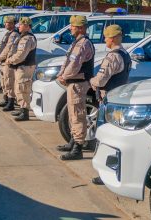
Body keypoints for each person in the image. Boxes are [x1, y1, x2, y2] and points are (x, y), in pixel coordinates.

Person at [90, 24, 131, 185]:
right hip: (119, 99)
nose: (105, 40)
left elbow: (101, 79)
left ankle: (105, 173)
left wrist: (92, 81)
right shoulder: (125, 53)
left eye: (106, 37)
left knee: (104, 138)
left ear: (112, 38)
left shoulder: (112, 56)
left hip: (108, 100)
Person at [56, 15, 95, 160]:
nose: (70, 28)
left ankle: (78, 148)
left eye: (73, 26)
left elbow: (74, 65)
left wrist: (64, 76)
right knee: (73, 115)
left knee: (78, 115)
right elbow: (67, 61)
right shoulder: (77, 42)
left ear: (80, 28)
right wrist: (62, 74)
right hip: (73, 83)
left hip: (78, 84)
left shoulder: (83, 43)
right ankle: (73, 141)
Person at [5, 17, 37, 121]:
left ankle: (25, 112)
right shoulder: (23, 37)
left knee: (23, 89)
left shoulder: (27, 38)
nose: (19, 26)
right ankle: (22, 108)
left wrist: (9, 60)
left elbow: (21, 55)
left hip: (25, 67)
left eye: (21, 25)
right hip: (21, 67)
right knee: (18, 88)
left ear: (27, 26)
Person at [0, 16, 20, 111]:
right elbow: (1, 45)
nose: (5, 24)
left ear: (12, 24)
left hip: (8, 61)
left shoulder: (14, 34)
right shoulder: (8, 33)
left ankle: (11, 102)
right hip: (3, 61)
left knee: (9, 82)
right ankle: (5, 99)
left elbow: (8, 48)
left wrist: (0, 57)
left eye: (7, 22)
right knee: (4, 82)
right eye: (5, 22)